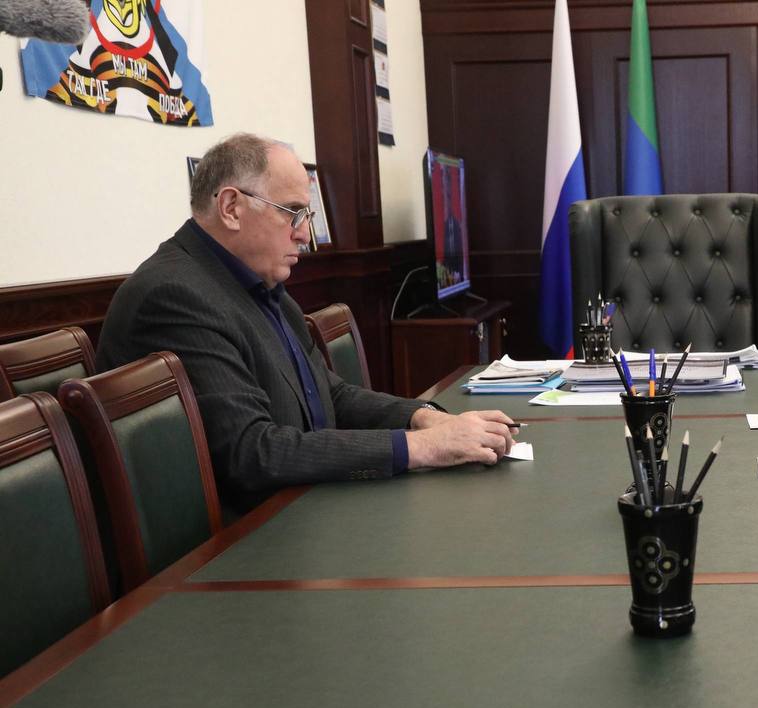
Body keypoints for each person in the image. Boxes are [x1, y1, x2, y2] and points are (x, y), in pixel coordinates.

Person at [97, 133, 516, 514]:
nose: (304, 234)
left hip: (301, 507)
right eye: (293, 213)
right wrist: (420, 447)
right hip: (239, 543)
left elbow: (331, 395)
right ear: (231, 208)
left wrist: (422, 417)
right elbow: (252, 452)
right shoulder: (174, 296)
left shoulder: (256, 280)